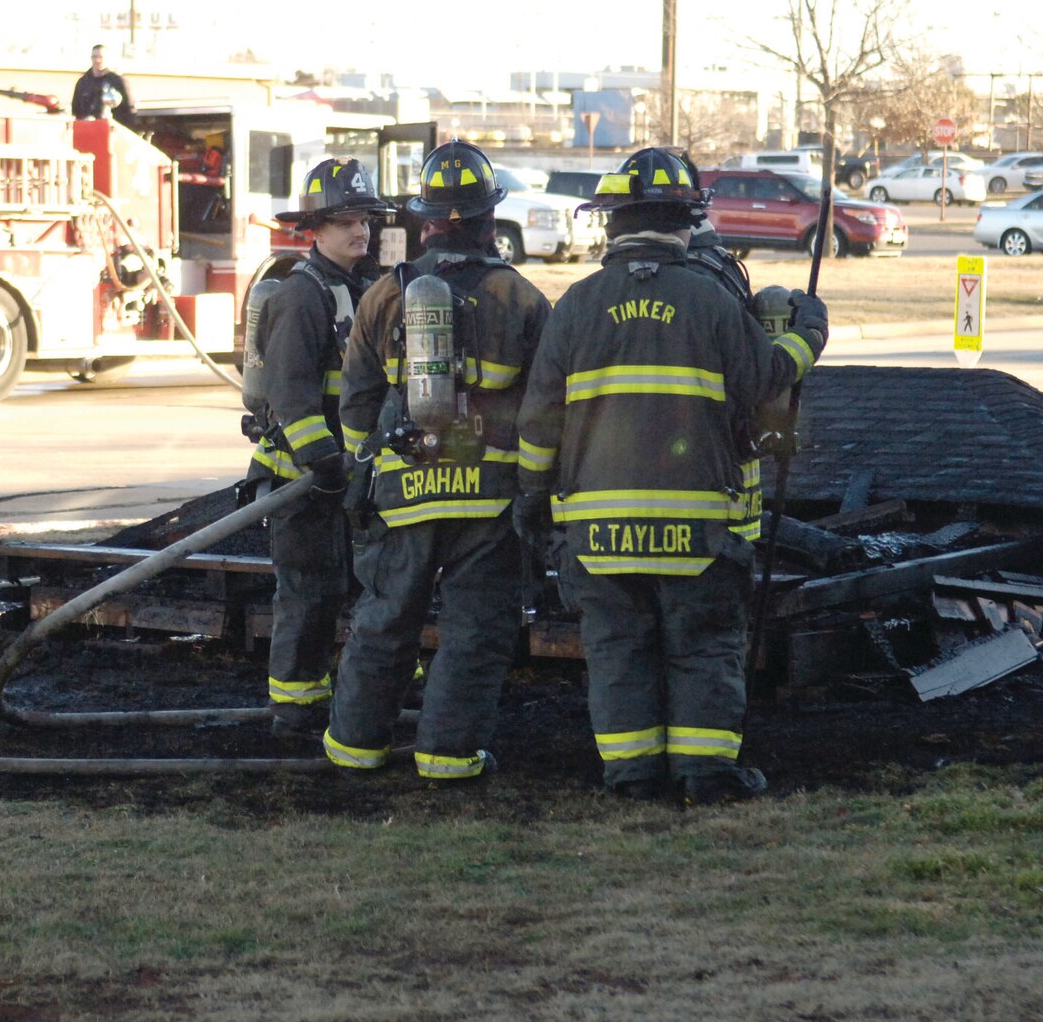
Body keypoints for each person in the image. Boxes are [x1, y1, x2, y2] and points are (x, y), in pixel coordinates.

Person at [513, 148, 829, 804]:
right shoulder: (712, 302)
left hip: (595, 532)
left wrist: (531, 501)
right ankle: (703, 775)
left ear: (611, 223)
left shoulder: (575, 306)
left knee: (617, 649)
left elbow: (539, 422)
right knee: (703, 646)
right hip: (695, 527)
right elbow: (766, 384)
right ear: (689, 222)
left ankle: (632, 778)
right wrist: (808, 337)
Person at [324, 141, 552, 782]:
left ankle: (354, 749)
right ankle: (448, 757)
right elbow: (544, 404)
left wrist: (361, 479)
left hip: (403, 492)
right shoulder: (523, 298)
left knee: (385, 621)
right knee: (475, 630)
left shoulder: (384, 297)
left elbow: (358, 401)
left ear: (426, 222)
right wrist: (537, 488)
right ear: (489, 220)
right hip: (489, 496)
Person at [244, 158, 386, 737]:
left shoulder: (366, 289)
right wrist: (323, 460)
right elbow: (292, 396)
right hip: (302, 482)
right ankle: (296, 708)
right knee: (308, 593)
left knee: (360, 587)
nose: (360, 231)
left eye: (366, 220)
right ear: (315, 229)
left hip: (348, 475)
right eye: (346, 221)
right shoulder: (302, 298)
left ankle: (357, 701)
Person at [70, 44, 134, 126]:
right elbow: (75, 109)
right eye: (94, 57)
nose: (97, 60)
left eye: (101, 57)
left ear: (107, 59)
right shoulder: (83, 82)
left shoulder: (118, 82)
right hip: (86, 129)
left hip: (111, 131)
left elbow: (130, 111)